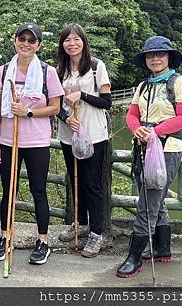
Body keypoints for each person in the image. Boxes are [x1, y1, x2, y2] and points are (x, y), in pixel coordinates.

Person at [116, 35, 182, 278]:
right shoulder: (143, 86)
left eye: (160, 54)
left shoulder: (179, 83)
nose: (156, 58)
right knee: (154, 199)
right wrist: (136, 128)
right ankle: (162, 249)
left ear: (169, 57)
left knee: (147, 202)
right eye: (151, 55)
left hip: (167, 148)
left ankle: (134, 256)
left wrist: (155, 131)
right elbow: (132, 113)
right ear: (146, 59)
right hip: (143, 147)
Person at [0, 23, 64, 265]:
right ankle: (5, 236)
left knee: (38, 190)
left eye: (31, 40)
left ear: (38, 45)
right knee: (7, 192)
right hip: (9, 140)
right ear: (14, 41)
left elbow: (56, 107)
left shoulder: (47, 72)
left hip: (37, 141)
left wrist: (28, 112)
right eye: (22, 38)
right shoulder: (3, 71)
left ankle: (43, 240)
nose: (26, 43)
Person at [55, 24, 112, 258]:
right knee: (75, 181)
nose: (72, 43)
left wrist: (83, 96)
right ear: (62, 44)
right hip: (69, 135)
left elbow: (107, 102)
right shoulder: (59, 70)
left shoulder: (97, 67)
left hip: (94, 135)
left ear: (84, 42)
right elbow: (55, 104)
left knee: (91, 184)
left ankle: (96, 233)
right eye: (67, 40)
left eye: (76, 39)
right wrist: (66, 118)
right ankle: (80, 223)